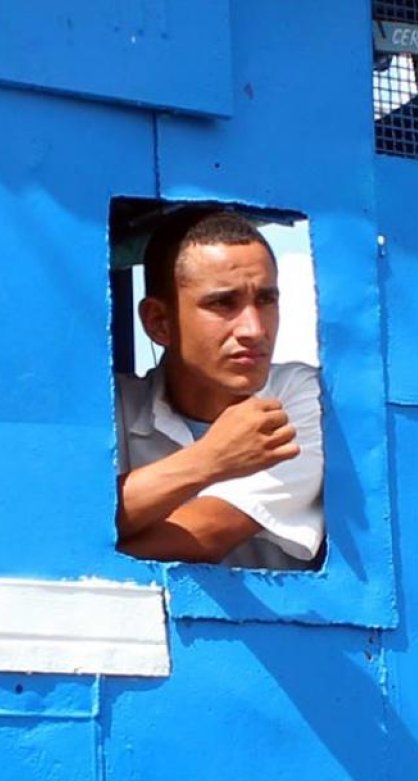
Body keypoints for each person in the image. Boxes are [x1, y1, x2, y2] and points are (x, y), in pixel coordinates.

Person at [115, 208, 324, 570]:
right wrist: (212, 458)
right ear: (158, 322)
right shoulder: (116, 405)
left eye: (266, 300)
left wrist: (99, 540)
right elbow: (69, 518)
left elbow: (207, 533)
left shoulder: (298, 397)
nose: (254, 329)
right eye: (223, 303)